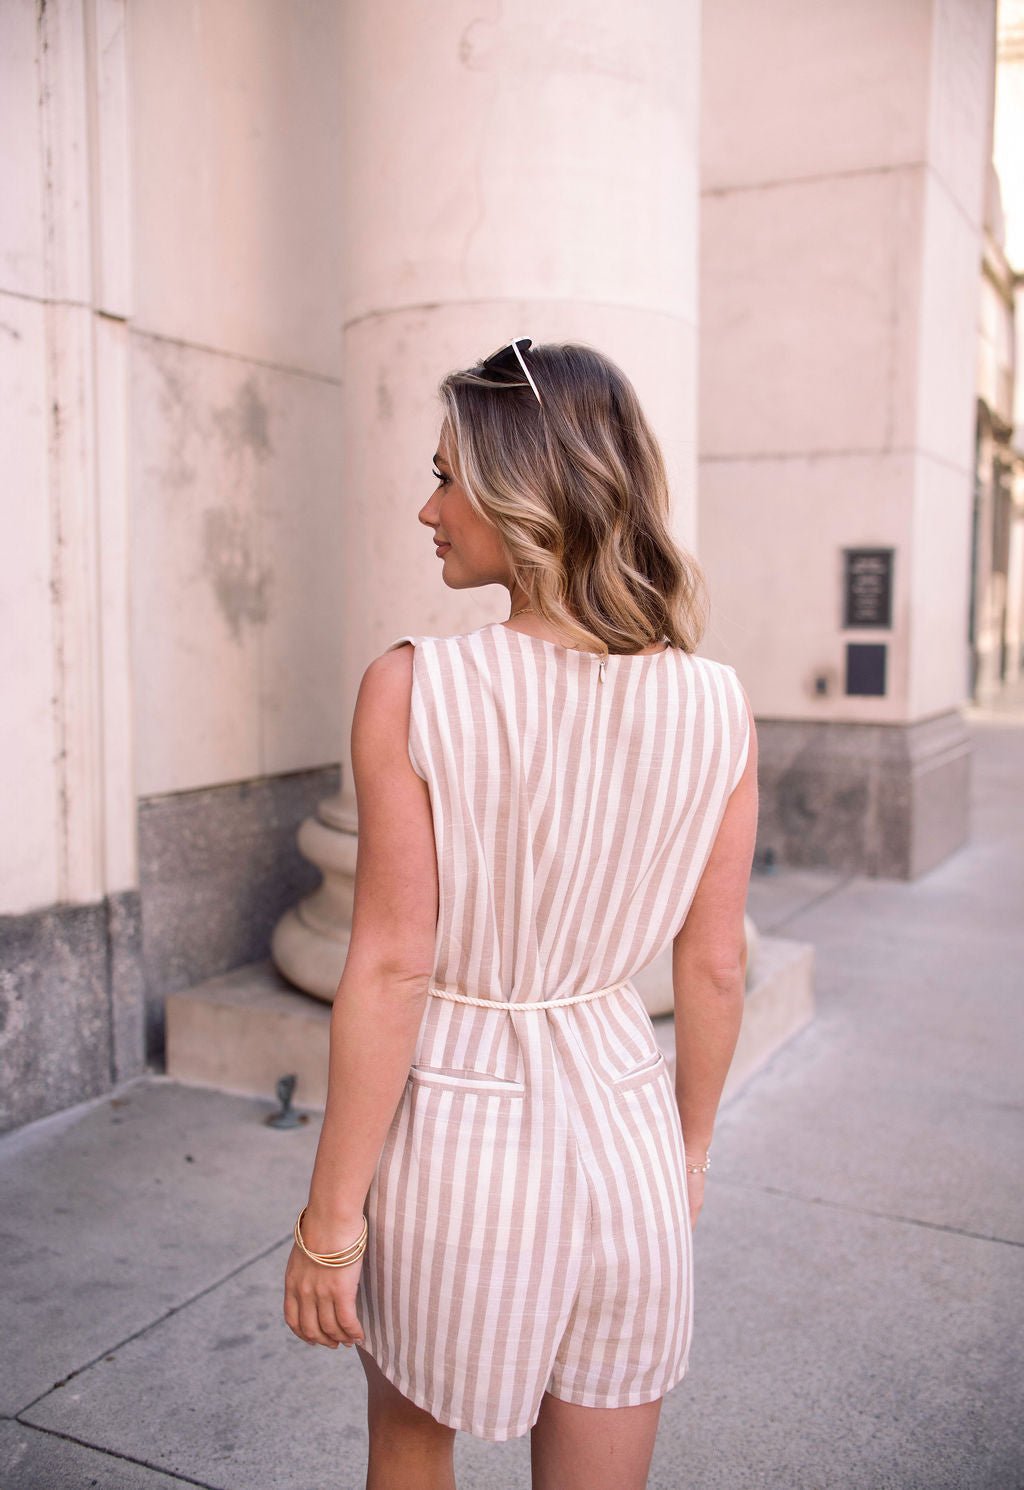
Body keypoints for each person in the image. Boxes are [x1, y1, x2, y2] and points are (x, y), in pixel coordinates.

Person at [283, 338, 758, 1490]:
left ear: (524, 492)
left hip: (458, 1132)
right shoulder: (716, 701)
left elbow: (393, 967)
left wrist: (328, 1223)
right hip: (629, 1126)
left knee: (409, 1447)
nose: (426, 506)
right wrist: (687, 1152)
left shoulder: (413, 687)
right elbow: (714, 970)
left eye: (448, 475)